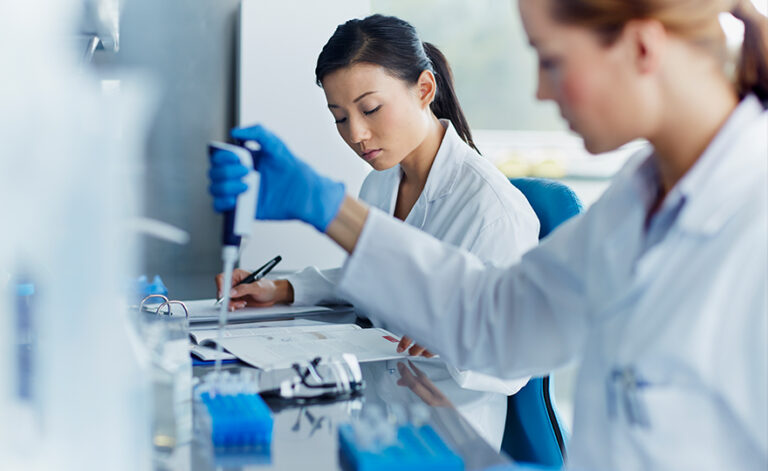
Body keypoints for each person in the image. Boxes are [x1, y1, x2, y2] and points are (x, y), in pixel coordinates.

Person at [209, 0, 768, 469]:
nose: (541, 92)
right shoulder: (635, 201)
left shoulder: (752, 223)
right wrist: (327, 207)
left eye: (551, 61)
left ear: (642, 49)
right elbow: (495, 317)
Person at [212, 14, 539, 449]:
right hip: (377, 417)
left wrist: (449, 330)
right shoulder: (381, 182)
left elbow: (513, 363)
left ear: (424, 89)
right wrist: (284, 288)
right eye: (340, 117)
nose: (357, 134)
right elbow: (375, 273)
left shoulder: (492, 208)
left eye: (370, 109)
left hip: (450, 435)